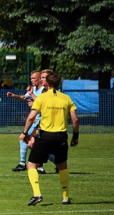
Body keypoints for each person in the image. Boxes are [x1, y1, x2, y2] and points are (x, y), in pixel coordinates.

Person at [20, 72, 80, 206]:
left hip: (45, 135)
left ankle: (37, 194)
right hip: (61, 136)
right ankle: (65, 197)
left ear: (46, 83)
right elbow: (75, 120)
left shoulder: (42, 98)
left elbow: (31, 117)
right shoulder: (66, 98)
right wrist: (75, 136)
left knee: (31, 164)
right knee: (62, 165)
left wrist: (25, 133)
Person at [7, 70, 45, 173]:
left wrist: (32, 98)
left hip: (42, 122)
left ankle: (42, 166)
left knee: (33, 144)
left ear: (40, 79)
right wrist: (14, 96)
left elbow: (42, 103)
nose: (32, 80)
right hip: (35, 122)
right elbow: (24, 97)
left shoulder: (44, 90)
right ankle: (23, 163)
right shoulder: (33, 90)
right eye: (31, 78)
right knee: (24, 139)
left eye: (34, 78)